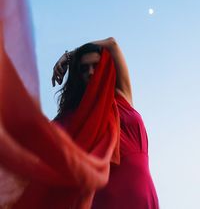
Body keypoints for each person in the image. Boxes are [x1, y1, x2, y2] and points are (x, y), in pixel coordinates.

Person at [52, 37, 159, 209]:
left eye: (96, 65)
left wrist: (71, 55)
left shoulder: (121, 95)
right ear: (78, 76)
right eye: (84, 69)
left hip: (143, 194)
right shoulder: (73, 117)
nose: (91, 72)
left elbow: (112, 44)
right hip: (106, 198)